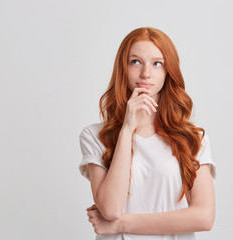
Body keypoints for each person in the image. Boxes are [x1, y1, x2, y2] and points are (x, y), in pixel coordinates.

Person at [78, 27, 216, 240]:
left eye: (157, 63)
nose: (146, 73)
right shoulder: (94, 135)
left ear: (168, 70)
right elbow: (111, 209)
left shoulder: (192, 138)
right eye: (135, 61)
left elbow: (204, 217)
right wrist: (126, 129)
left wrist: (120, 225)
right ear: (122, 68)